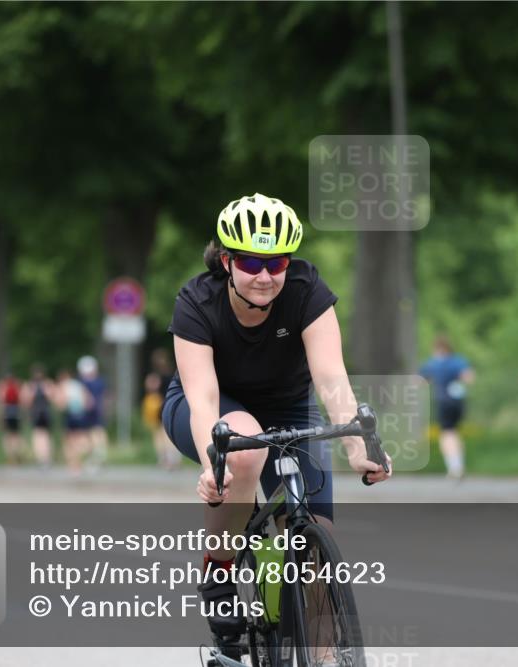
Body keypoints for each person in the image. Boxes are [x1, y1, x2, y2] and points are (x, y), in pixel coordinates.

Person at [161, 193, 392, 655]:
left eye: (276, 262)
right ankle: (220, 572)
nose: (265, 276)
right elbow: (204, 396)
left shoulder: (307, 291)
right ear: (227, 261)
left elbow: (330, 378)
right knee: (243, 447)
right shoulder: (196, 301)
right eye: (250, 262)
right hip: (209, 407)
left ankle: (316, 652)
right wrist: (215, 464)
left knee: (312, 554)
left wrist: (356, 445)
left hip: (289, 407)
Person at [419, 335, 475, 480]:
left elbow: (422, 380)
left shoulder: (434, 363)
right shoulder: (458, 361)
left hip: (444, 402)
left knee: (446, 434)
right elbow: (469, 377)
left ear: (436, 349)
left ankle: (454, 467)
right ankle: (459, 465)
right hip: (458, 401)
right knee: (455, 432)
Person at [56, 368, 92, 474]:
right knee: (80, 437)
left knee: (69, 441)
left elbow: (61, 403)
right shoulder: (78, 385)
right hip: (80, 414)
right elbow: (88, 400)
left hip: (70, 415)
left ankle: (74, 464)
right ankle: (84, 456)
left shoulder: (64, 386)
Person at [143, 372, 179, 470]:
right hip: (159, 415)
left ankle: (172, 459)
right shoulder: (152, 396)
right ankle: (164, 458)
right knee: (158, 436)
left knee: (166, 437)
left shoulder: (165, 390)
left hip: (164, 412)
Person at [22, 364, 57, 467]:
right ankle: (43, 457)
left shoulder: (32, 385)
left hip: (41, 412)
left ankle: (44, 457)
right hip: (39, 412)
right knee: (41, 435)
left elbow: (26, 401)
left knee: (41, 435)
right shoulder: (44, 384)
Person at [78, 355, 108, 471]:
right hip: (96, 410)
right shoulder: (99, 381)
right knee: (96, 433)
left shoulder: (83, 382)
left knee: (92, 434)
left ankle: (96, 456)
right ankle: (97, 455)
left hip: (89, 411)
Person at [0, 372, 24, 465]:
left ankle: (10, 456)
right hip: (16, 411)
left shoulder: (2, 387)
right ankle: (16, 454)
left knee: (7, 435)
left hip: (6, 412)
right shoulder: (17, 386)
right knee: (16, 434)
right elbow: (22, 400)